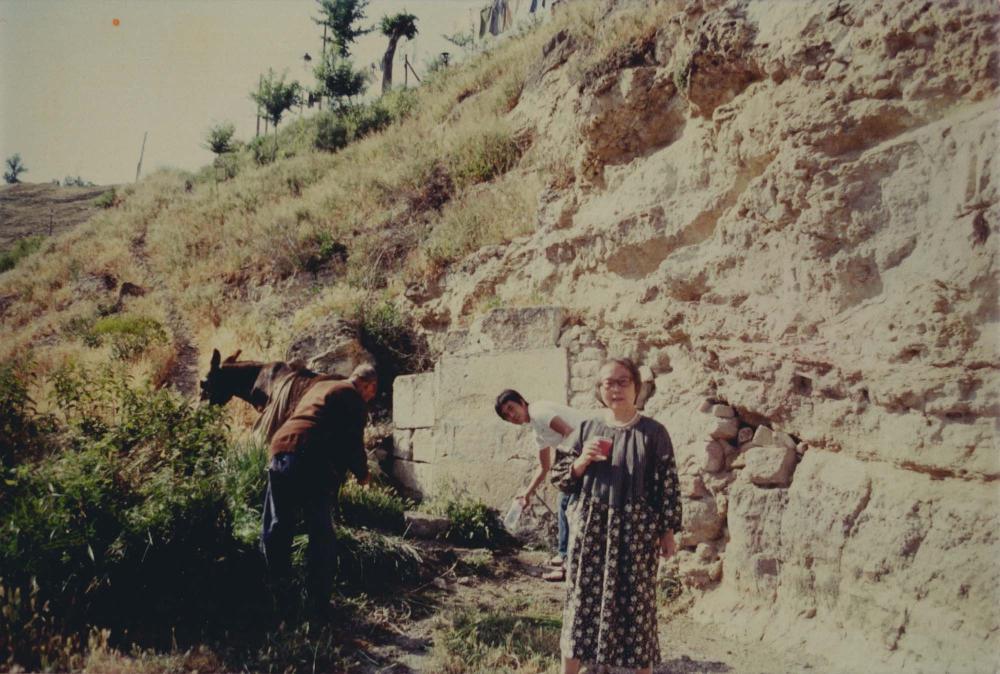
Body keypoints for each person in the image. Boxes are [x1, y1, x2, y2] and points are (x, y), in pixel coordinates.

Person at [550, 357, 681, 674]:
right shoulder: (586, 429)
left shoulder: (653, 433)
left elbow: (667, 483)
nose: (616, 388)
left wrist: (667, 531)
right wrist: (582, 461)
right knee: (582, 602)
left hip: (635, 534)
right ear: (599, 389)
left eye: (623, 381)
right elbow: (559, 478)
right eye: (608, 382)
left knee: (637, 606)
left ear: (637, 387)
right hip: (592, 530)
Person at [262, 363, 377, 619]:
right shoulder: (352, 397)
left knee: (278, 525)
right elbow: (352, 442)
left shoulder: (321, 386)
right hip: (310, 456)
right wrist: (363, 475)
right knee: (321, 532)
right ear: (368, 385)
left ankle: (276, 592)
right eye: (372, 393)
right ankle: (318, 604)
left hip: (280, 449)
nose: (370, 398)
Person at [495, 389, 590, 582]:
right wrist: (527, 493)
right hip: (582, 454)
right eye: (506, 416)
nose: (512, 416)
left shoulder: (539, 411)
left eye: (511, 409)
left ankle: (565, 560)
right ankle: (567, 560)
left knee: (566, 504)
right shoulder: (537, 430)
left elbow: (571, 434)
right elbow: (544, 466)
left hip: (588, 450)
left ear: (522, 401)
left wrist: (568, 468)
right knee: (566, 505)